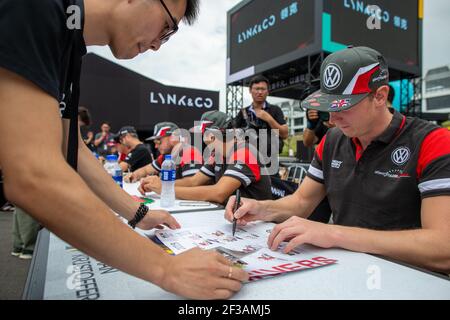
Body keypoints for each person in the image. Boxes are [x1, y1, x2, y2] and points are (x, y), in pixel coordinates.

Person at [0, 0, 247, 299]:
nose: (158, 45)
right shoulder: (39, 9)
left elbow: (72, 148)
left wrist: (138, 212)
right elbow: (34, 173)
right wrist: (166, 269)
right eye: (166, 28)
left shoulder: (69, 42)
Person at [224, 46, 450, 274]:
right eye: (328, 107)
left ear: (380, 96)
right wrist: (260, 208)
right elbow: (301, 202)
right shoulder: (332, 140)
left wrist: (334, 233)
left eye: (344, 106)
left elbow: (443, 248)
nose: (332, 118)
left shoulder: (433, 141)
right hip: (344, 271)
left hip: (409, 280)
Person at [140, 111, 273, 204]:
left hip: (256, 225)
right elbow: (194, 181)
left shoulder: (245, 152)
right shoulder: (218, 154)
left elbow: (218, 193)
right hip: (237, 218)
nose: (203, 139)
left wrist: (165, 189)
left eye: (203, 134)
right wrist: (160, 183)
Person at [233, 75, 288, 174]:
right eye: (256, 89)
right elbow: (234, 135)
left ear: (267, 91)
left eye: (263, 89)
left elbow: (284, 134)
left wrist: (269, 118)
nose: (259, 92)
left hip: (270, 160)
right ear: (250, 90)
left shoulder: (275, 110)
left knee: (271, 187)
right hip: (248, 159)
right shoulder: (243, 112)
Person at [125, 122, 202, 182]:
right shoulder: (165, 156)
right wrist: (134, 175)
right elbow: (146, 170)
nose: (155, 146)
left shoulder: (190, 153)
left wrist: (159, 184)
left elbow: (192, 184)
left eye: (158, 141)